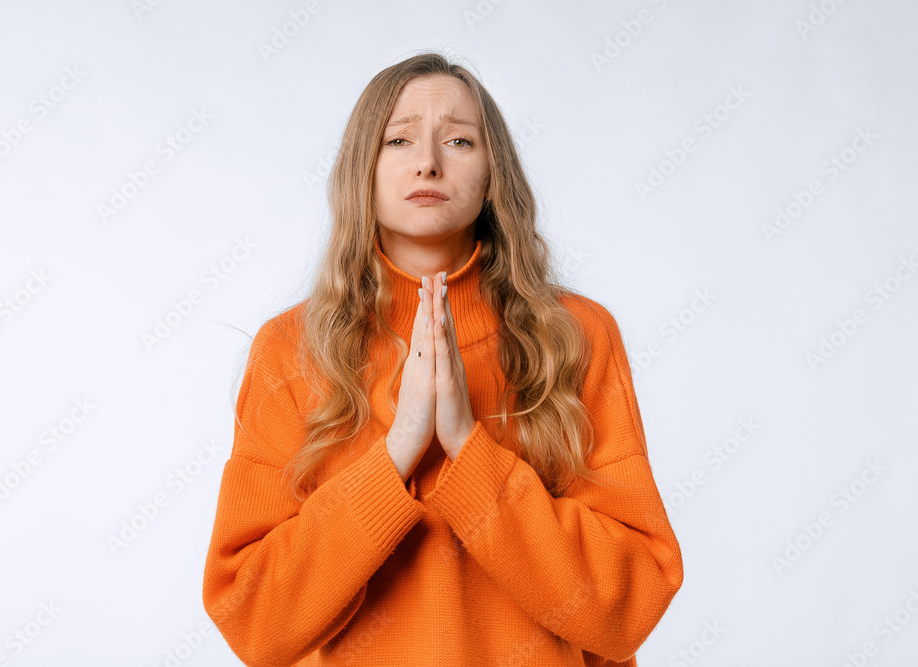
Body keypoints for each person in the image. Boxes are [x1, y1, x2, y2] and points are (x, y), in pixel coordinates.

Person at [202, 50, 683, 666]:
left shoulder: (578, 335)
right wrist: (400, 447)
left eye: (459, 140)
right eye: (398, 140)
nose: (427, 162)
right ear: (362, 170)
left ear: (493, 174)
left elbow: (631, 604)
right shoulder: (289, 348)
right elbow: (257, 623)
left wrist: (466, 446)